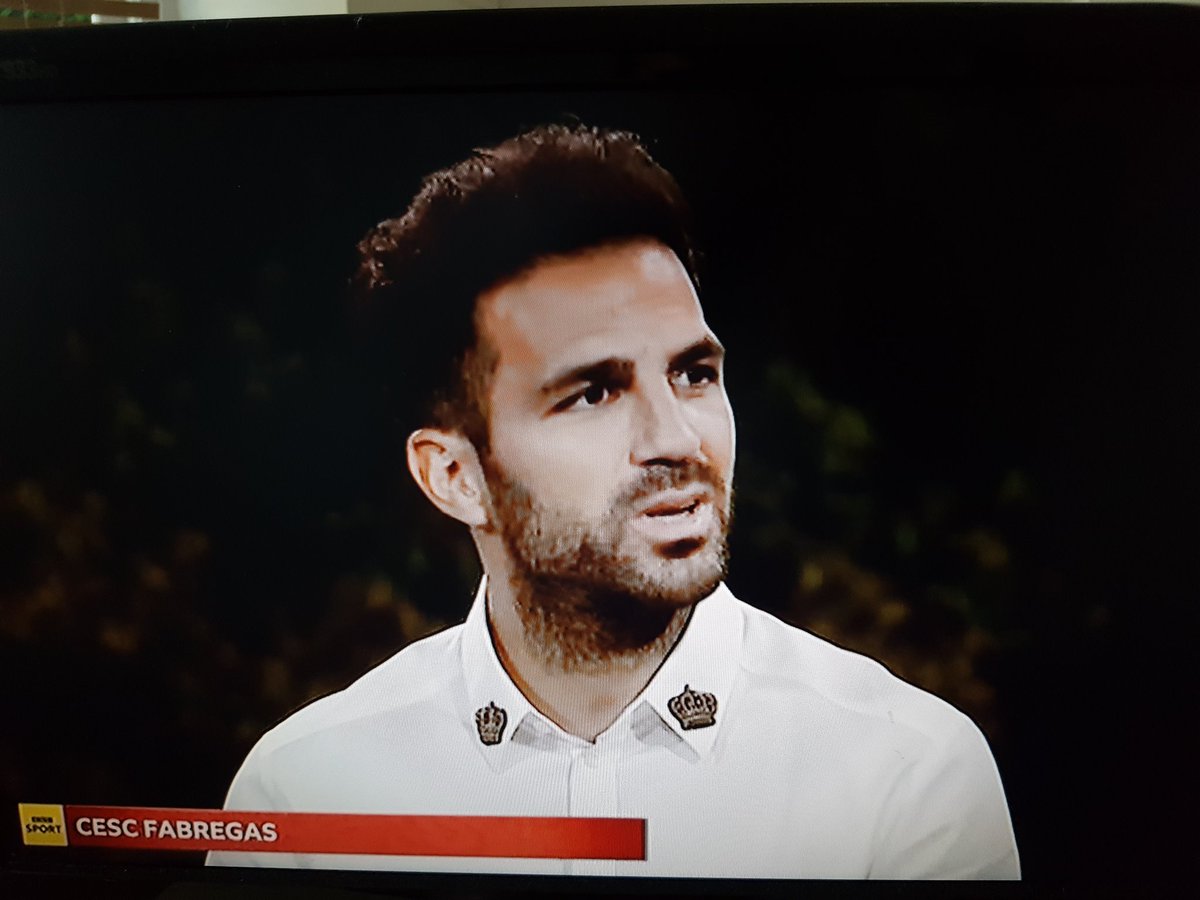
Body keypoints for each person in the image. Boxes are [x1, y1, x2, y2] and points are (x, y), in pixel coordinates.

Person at [208, 124, 1020, 879]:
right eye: (594, 393)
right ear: (454, 475)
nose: (678, 438)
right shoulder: (306, 795)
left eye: (693, 374)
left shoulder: (905, 777)